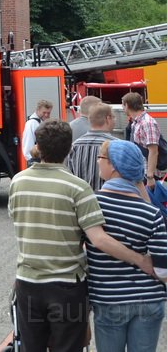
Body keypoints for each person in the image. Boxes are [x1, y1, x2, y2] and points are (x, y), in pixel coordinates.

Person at [8, 120, 154, 350]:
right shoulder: (77, 188)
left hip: (28, 283)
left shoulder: (18, 181)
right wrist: (140, 260)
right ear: (69, 149)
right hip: (66, 287)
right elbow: (99, 239)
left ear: (39, 146)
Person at [87, 139, 167, 351]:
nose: (97, 162)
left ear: (113, 166)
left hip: (109, 299)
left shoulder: (92, 205)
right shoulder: (151, 213)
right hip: (149, 300)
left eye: (101, 158)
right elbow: (162, 269)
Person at [65, 103, 117, 192]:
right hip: (107, 201)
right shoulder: (116, 145)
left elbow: (68, 175)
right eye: (114, 117)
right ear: (108, 119)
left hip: (80, 200)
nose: (115, 120)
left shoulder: (74, 146)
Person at [123, 91, 164, 185]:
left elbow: (153, 151)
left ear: (127, 105)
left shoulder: (147, 123)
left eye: (123, 105)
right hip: (140, 172)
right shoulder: (136, 122)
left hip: (146, 174)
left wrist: (150, 176)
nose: (122, 108)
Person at [20, 99, 53, 166]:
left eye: (48, 113)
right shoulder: (32, 124)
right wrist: (33, 161)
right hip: (36, 161)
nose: (46, 115)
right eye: (44, 112)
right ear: (37, 110)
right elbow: (28, 145)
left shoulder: (40, 122)